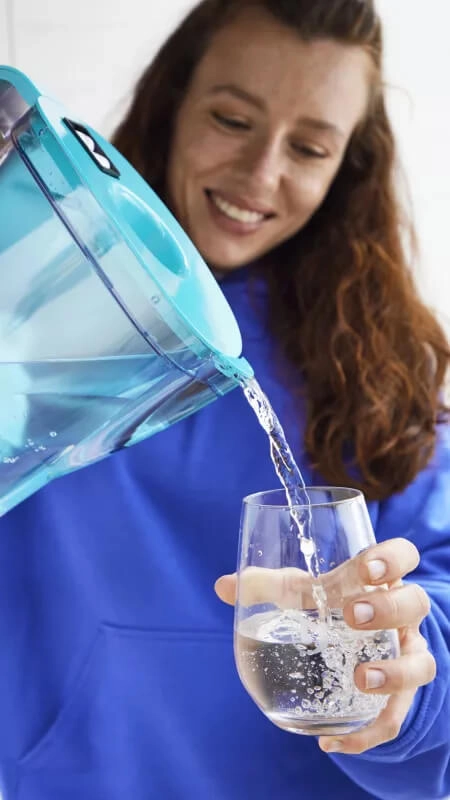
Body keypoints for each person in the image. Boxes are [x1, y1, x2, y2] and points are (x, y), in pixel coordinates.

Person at [0, 0, 449, 798]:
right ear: (173, 105)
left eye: (308, 147)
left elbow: (436, 587)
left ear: (346, 166)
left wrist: (413, 683)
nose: (260, 174)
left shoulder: (381, 369)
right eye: (233, 120)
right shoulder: (29, 308)